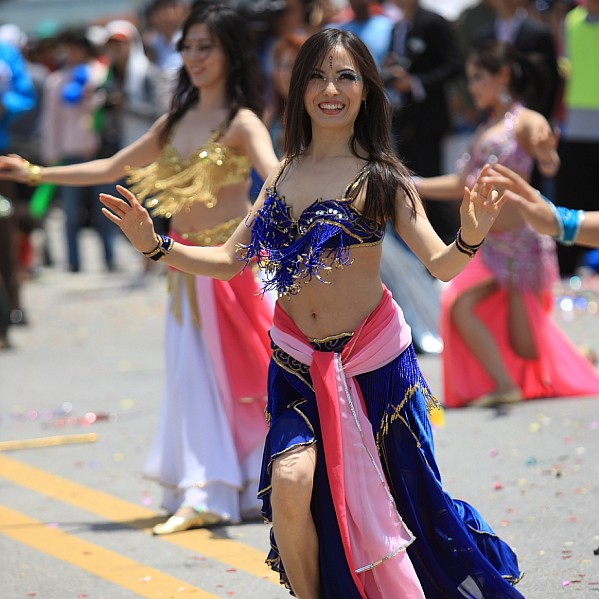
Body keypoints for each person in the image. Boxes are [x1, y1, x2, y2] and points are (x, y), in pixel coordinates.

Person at [99, 27, 527, 598]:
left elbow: (441, 265)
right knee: (291, 480)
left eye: (346, 77)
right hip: (297, 365)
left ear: (366, 91)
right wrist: (156, 245)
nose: (331, 89)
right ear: (300, 89)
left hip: (376, 372)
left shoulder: (384, 178)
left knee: (411, 509)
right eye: (318, 77)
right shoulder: (284, 173)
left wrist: (470, 236)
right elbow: (228, 261)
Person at [0, 4, 279, 534]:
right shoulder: (174, 121)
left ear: (230, 53)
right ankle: (212, 488)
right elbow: (111, 167)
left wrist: (257, 226)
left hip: (230, 267)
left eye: (206, 47)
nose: (194, 57)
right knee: (194, 375)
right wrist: (35, 173)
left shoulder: (242, 121)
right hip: (180, 263)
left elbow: (278, 175)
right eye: (188, 47)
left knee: (240, 375)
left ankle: (235, 485)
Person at [415, 39, 599, 409]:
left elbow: (548, 160)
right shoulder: (486, 127)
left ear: (502, 76)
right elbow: (462, 182)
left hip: (521, 246)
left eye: (478, 77)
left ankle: (579, 356)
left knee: (527, 345)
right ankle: (505, 385)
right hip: (489, 246)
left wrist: (547, 156)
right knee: (458, 307)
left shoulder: (525, 121)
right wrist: (413, 184)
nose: (472, 87)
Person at [486, 162, 599, 247]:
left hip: (522, 244)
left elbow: (549, 162)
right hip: (487, 243)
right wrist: (555, 222)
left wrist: (557, 222)